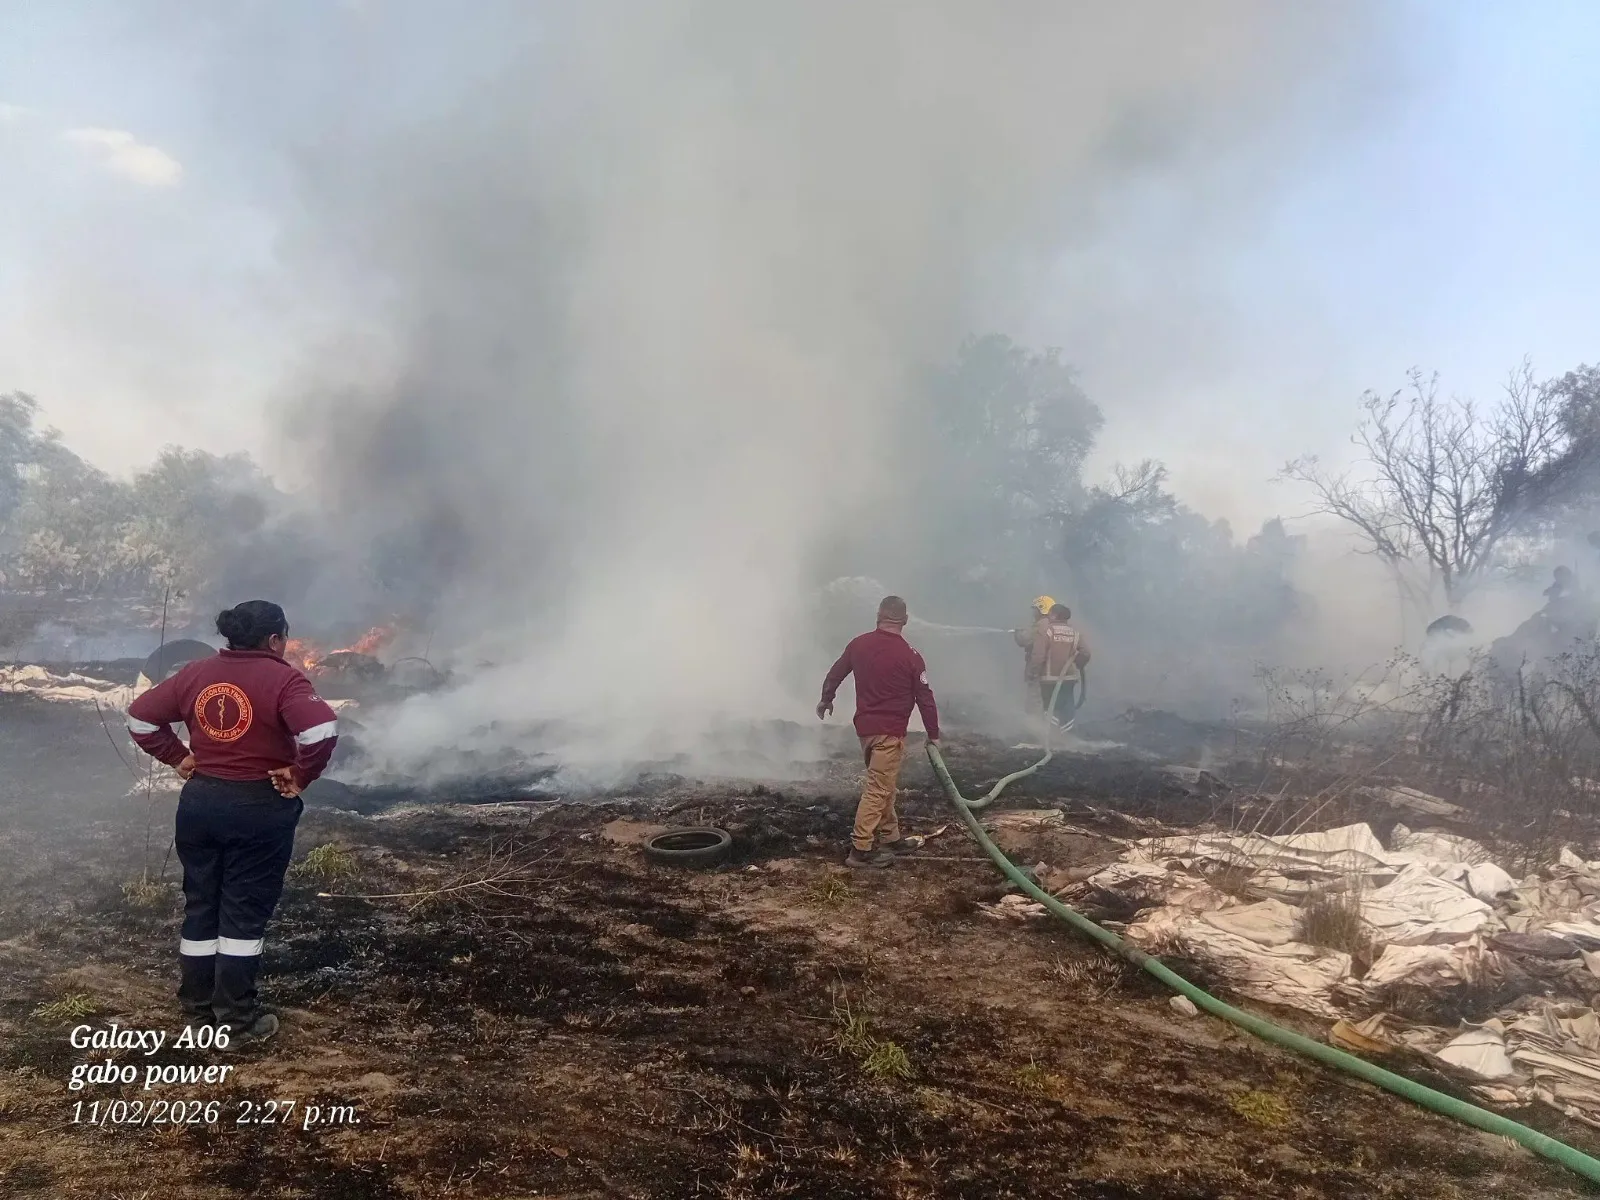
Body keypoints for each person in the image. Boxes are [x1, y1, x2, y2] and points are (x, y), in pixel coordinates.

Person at [126, 600, 339, 1047]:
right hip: (257, 808)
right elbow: (320, 731)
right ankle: (237, 1022)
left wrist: (178, 757)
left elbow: (140, 717)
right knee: (242, 911)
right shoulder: (284, 679)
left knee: (202, 902)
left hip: (200, 803)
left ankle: (198, 1009)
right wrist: (300, 775)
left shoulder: (195, 673)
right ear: (275, 640)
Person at [817, 595, 940, 869]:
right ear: (905, 620)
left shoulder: (858, 644)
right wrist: (933, 733)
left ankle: (890, 837)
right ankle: (860, 849)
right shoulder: (911, 655)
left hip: (865, 731)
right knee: (878, 789)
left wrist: (826, 699)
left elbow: (835, 673)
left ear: (878, 616)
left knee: (885, 786)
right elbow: (925, 697)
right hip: (889, 733)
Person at [1029, 603, 1090, 730]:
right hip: (1069, 678)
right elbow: (1086, 653)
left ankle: (1052, 737)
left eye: (1050, 613)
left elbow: (1038, 655)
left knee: (1050, 707)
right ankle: (1066, 735)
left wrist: (1033, 672)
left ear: (1054, 615)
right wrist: (1078, 662)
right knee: (1067, 706)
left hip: (1049, 678)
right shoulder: (1075, 633)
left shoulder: (1047, 631)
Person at [1013, 596, 1055, 712]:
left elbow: (1025, 640)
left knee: (1034, 701)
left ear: (1041, 609)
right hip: (1055, 672)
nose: (1033, 613)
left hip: (1040, 671)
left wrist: (1018, 633)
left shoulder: (1041, 625)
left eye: (1035, 610)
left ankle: (1034, 726)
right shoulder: (1054, 624)